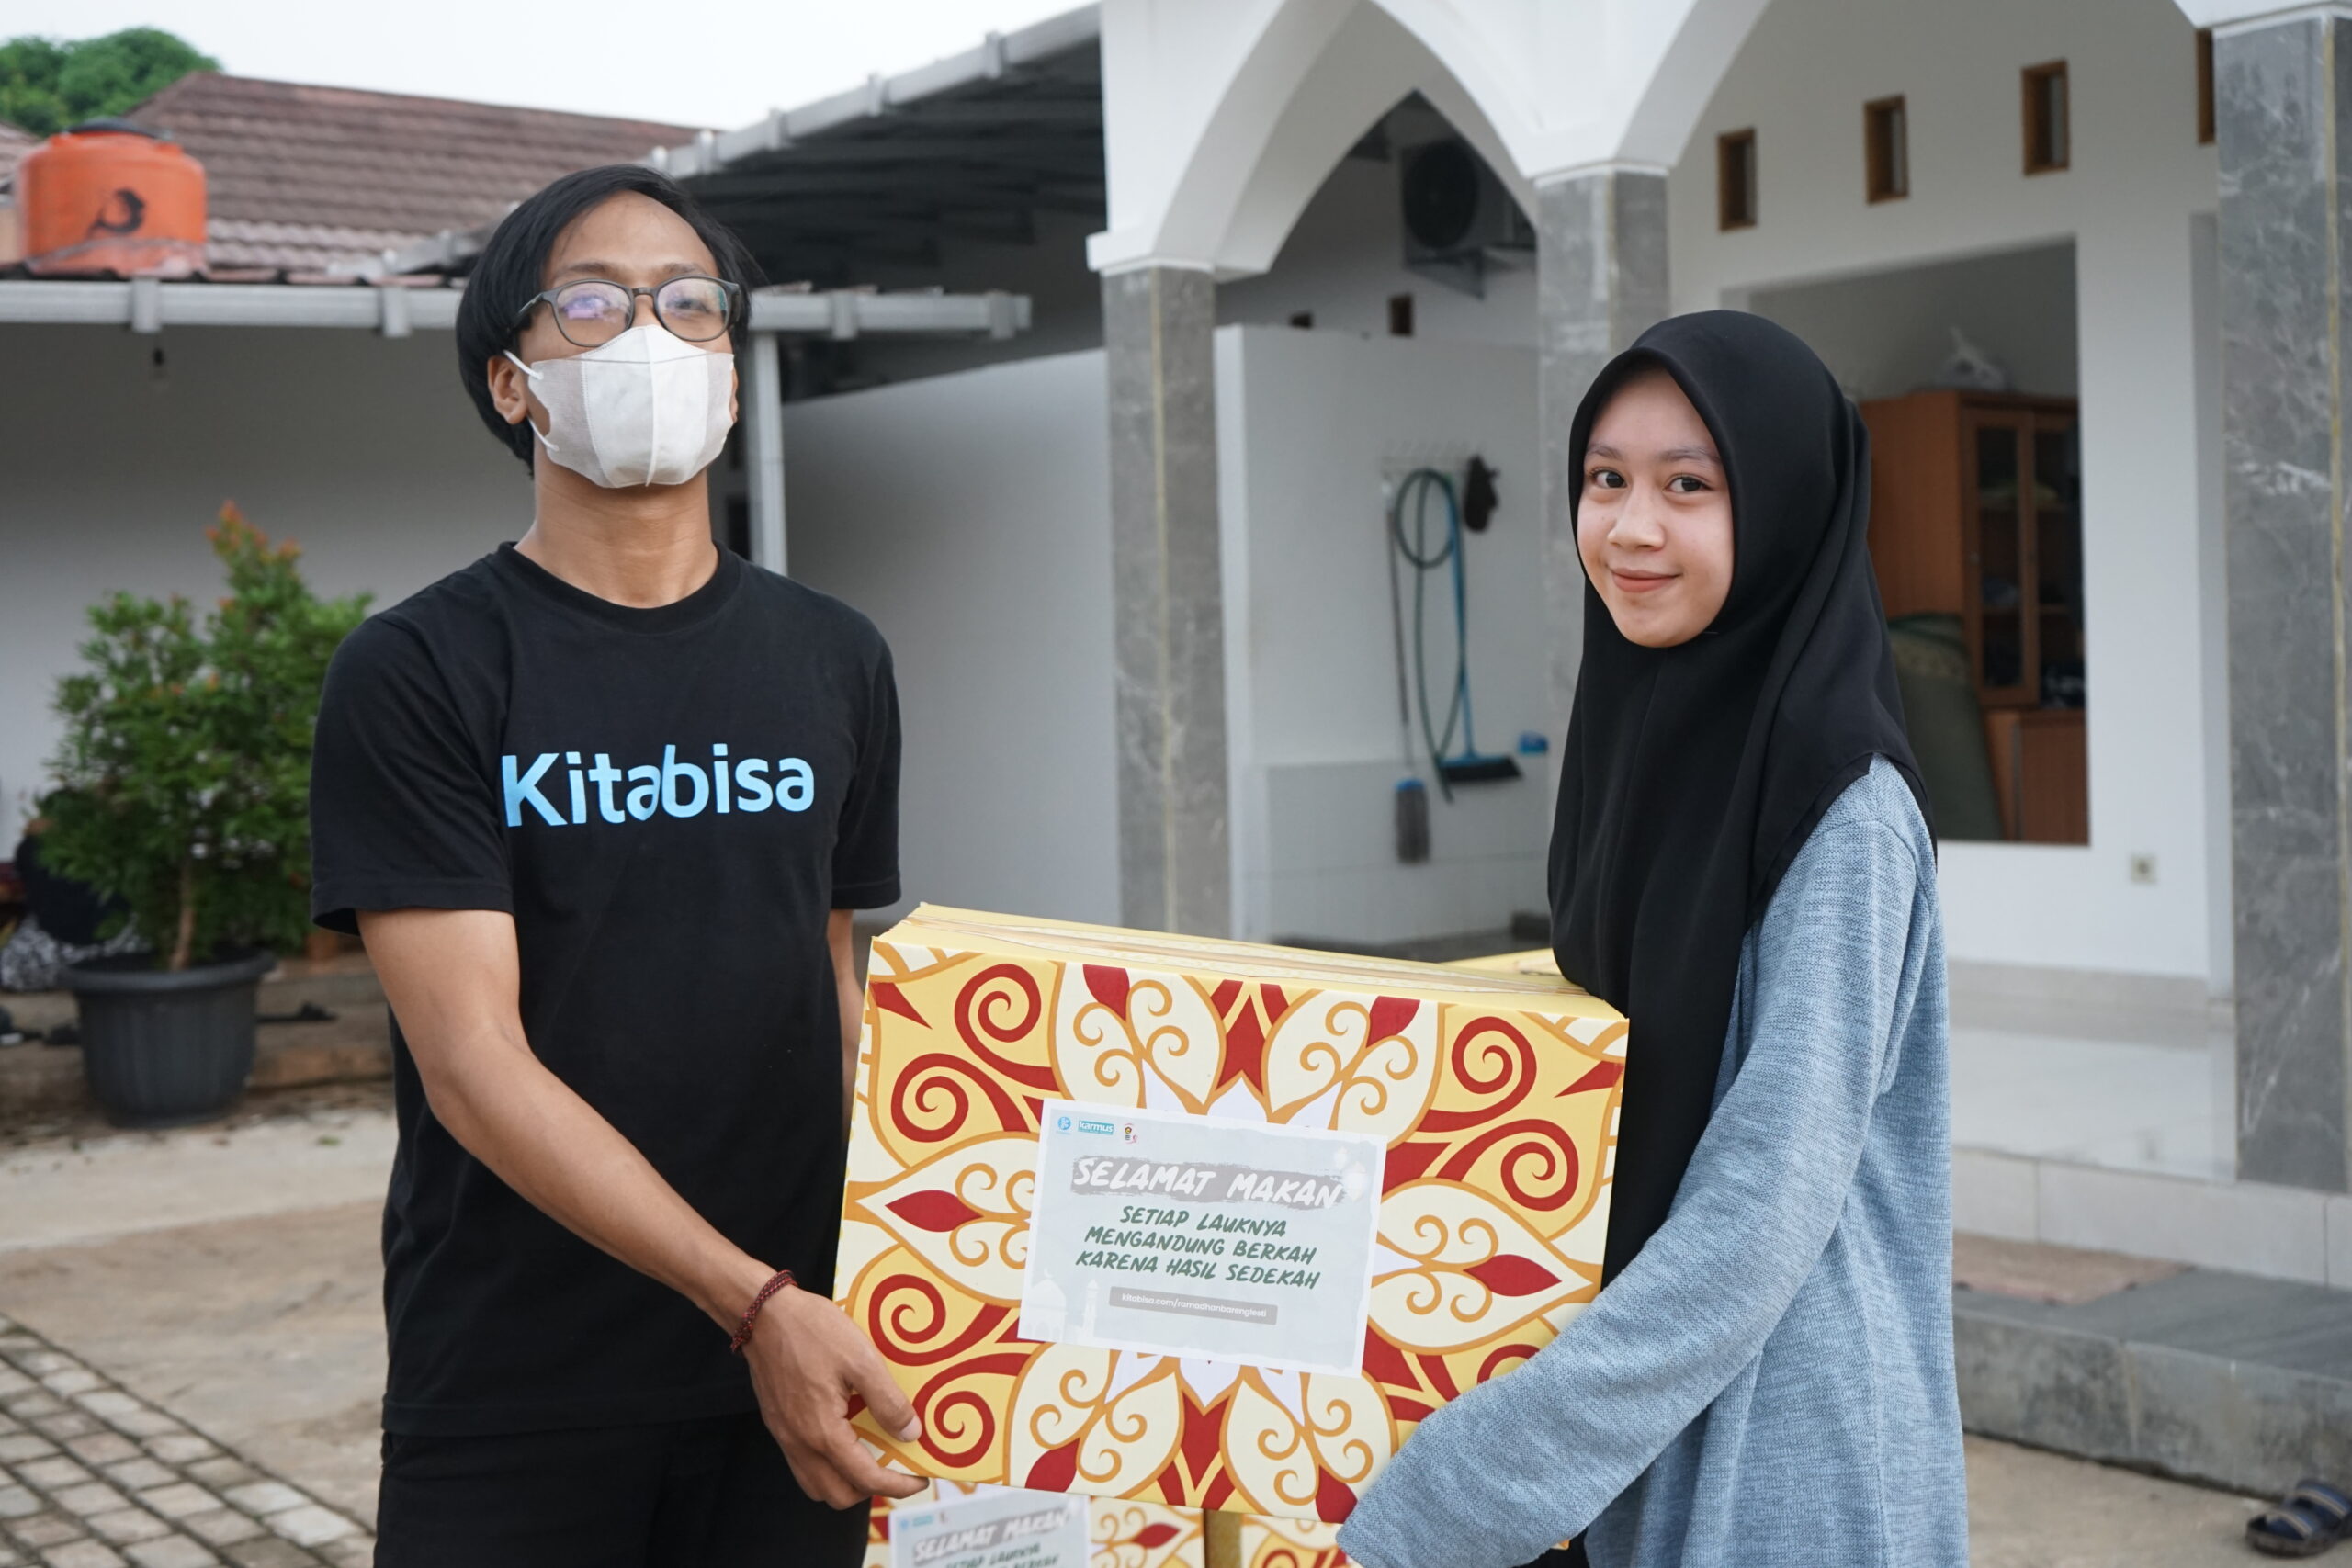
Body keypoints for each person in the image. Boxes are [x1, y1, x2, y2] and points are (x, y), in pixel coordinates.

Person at [308, 164, 922, 1567]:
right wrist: (749, 1302)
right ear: (511, 380)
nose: (651, 332)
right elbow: (474, 1064)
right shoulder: (419, 670)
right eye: (591, 304)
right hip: (522, 1373)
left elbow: (831, 983)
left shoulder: (836, 657)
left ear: (733, 368)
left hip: (806, 1358)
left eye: (689, 302)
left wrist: (944, 1250)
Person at [1336, 311, 1966, 1568]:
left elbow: (1762, 1209)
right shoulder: (1637, 742)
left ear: (1783, 508)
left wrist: (1471, 1486)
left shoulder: (1842, 806)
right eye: (1605, 479)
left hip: (1777, 1455)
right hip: (1621, 1432)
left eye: (1689, 486)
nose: (1630, 528)